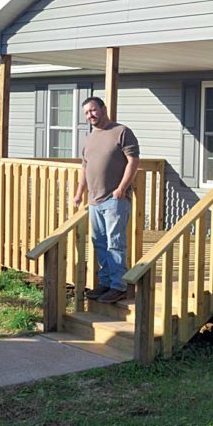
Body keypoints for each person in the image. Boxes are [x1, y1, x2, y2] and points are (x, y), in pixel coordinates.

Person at [71, 97, 140, 304]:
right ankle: (105, 282)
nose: (90, 115)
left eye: (93, 110)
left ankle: (118, 286)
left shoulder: (121, 131)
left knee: (115, 243)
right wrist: (79, 192)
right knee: (99, 243)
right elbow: (85, 167)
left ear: (103, 109)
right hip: (94, 200)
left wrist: (122, 188)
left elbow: (133, 161)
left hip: (114, 199)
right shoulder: (90, 137)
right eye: (86, 113)